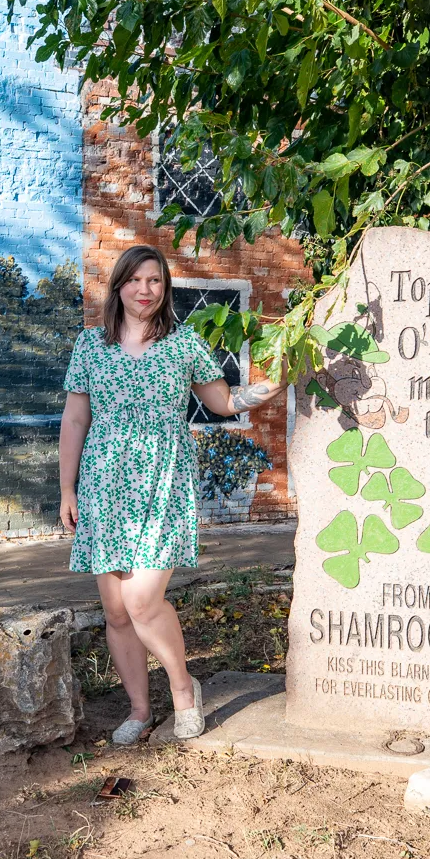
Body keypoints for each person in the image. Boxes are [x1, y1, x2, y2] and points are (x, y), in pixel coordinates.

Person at [59, 245, 286, 743]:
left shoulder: (182, 343)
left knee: (142, 600)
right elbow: (76, 418)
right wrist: (67, 488)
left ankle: (184, 690)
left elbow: (223, 402)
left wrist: (271, 386)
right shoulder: (91, 345)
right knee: (116, 610)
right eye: (136, 280)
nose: (146, 289)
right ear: (119, 285)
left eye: (155, 281)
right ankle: (139, 710)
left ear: (165, 289)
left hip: (162, 478)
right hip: (103, 482)